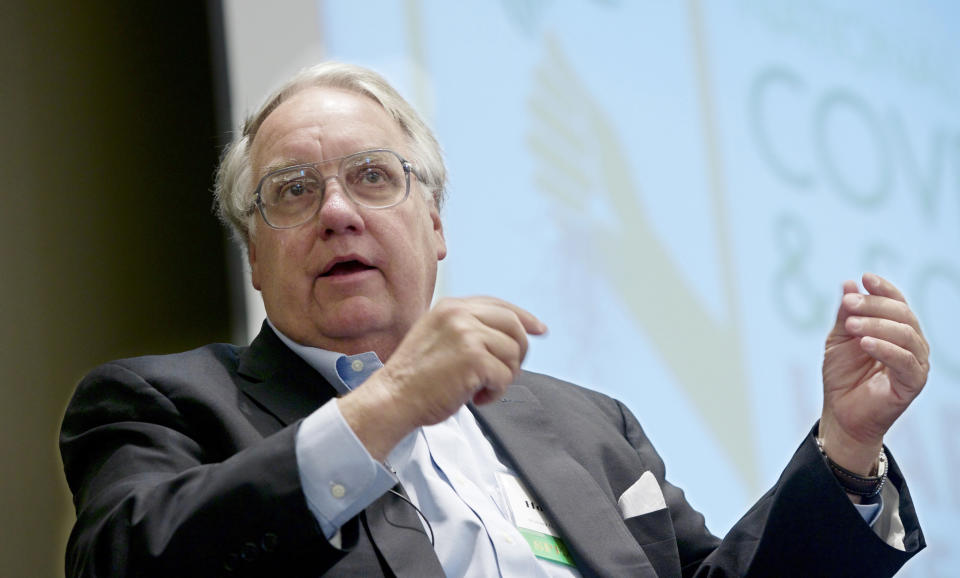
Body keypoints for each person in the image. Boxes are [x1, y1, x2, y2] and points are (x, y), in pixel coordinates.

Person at [60, 62, 928, 577]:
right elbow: (128, 562)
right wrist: (384, 408)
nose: (336, 213)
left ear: (435, 225)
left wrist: (846, 450)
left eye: (372, 176)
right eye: (291, 192)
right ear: (253, 253)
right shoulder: (158, 404)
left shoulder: (589, 425)